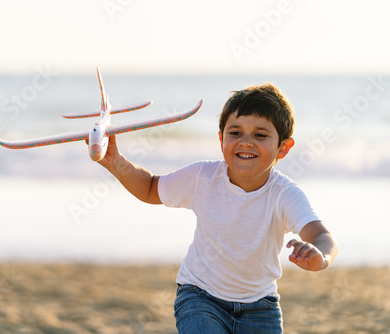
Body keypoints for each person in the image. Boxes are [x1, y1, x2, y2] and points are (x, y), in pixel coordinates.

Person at [94, 83, 338, 333]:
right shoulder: (202, 177)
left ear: (283, 147)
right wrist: (115, 162)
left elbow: (321, 236)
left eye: (260, 135)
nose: (246, 142)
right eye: (235, 133)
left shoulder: (285, 194)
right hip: (201, 297)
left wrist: (320, 256)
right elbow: (149, 188)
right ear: (221, 139)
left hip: (261, 308)